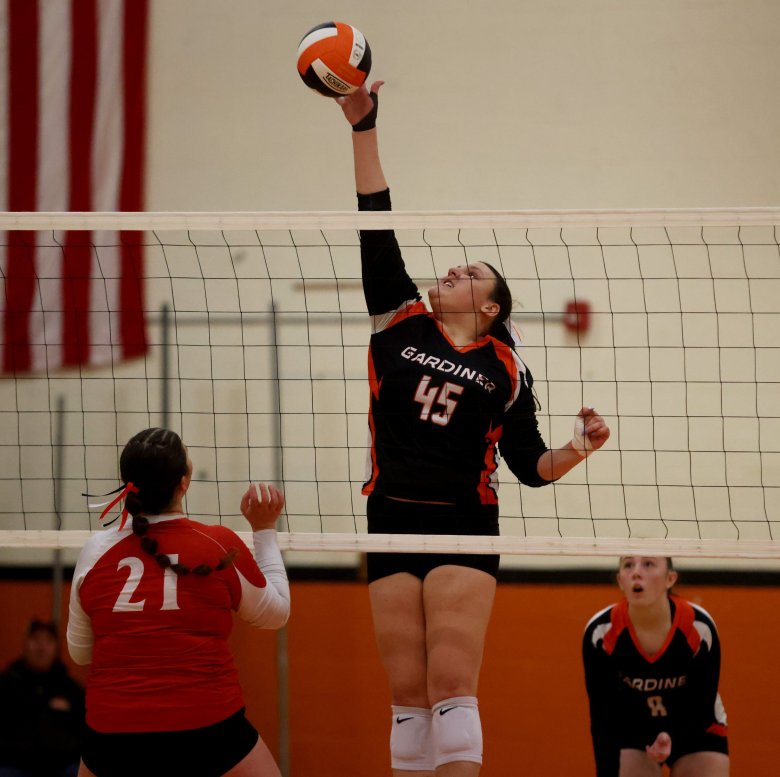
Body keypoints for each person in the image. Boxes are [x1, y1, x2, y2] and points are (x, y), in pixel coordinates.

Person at [333, 81, 611, 776]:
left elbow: (531, 468)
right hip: (389, 517)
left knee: (450, 684)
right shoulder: (398, 318)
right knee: (406, 696)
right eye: (459, 266)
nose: (455, 268)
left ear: (489, 309)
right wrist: (364, 127)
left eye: (472, 273)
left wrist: (580, 447)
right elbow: (375, 220)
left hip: (463, 523)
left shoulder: (506, 368)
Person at [66, 427, 290, 777]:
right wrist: (264, 530)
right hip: (207, 728)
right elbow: (277, 614)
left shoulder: (95, 552)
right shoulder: (218, 544)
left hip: (114, 736)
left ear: (128, 484)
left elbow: (80, 654)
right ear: (184, 482)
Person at [582, 556, 730, 777]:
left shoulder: (698, 626)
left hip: (695, 724)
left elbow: (702, 701)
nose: (636, 572)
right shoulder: (600, 632)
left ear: (670, 578)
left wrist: (669, 735)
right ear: (620, 581)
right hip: (632, 729)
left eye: (648, 564)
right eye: (628, 565)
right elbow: (603, 719)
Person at [0, 619, 85, 777]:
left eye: (48, 640)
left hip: (62, 767)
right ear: (24, 645)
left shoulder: (72, 690)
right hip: (14, 766)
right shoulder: (6, 686)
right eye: (35, 638)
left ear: (57, 648)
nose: (41, 646)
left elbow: (85, 735)